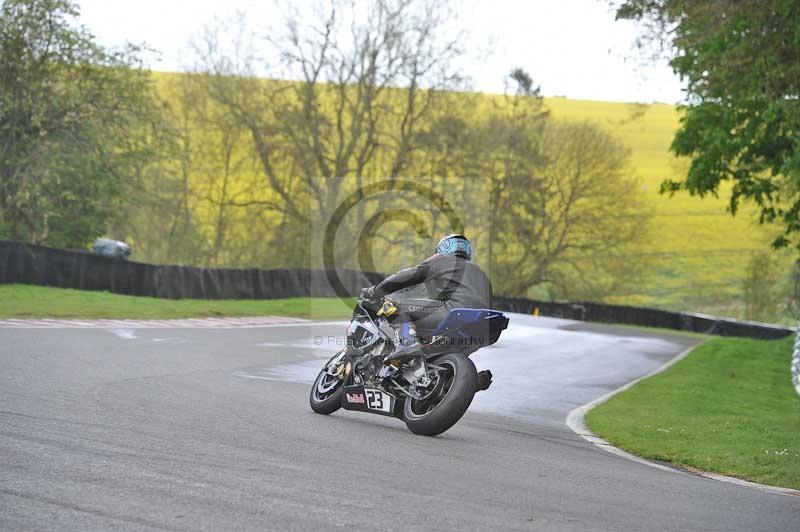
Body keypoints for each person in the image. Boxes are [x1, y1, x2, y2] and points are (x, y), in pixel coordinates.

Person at [360, 233, 493, 360]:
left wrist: (375, 291)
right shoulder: (481, 273)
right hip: (485, 324)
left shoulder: (442, 260)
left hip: (455, 311)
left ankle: (407, 342)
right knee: (438, 349)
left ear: (444, 247)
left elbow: (409, 275)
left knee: (393, 306)